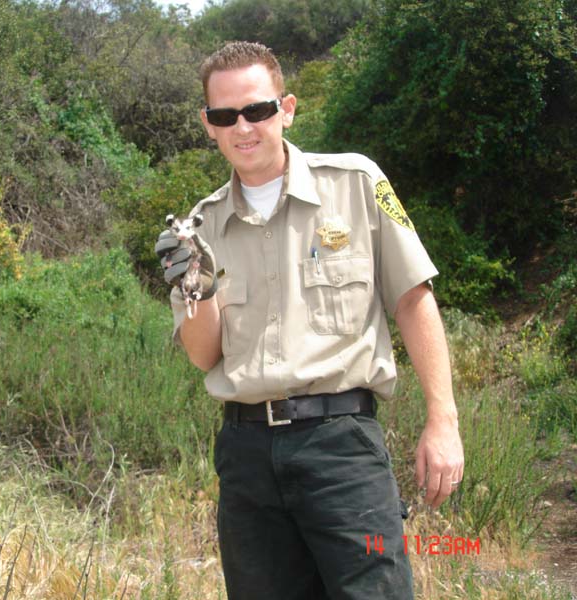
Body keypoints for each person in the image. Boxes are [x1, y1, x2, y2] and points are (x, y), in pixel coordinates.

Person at [154, 41, 464, 599]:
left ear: (287, 108)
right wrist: (193, 285)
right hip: (247, 456)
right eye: (225, 116)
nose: (243, 127)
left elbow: (413, 298)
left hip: (342, 447)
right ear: (208, 125)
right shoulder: (198, 226)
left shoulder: (358, 183)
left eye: (258, 110)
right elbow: (205, 355)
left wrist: (443, 420)